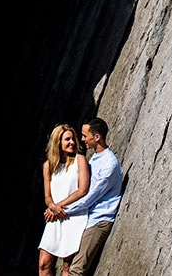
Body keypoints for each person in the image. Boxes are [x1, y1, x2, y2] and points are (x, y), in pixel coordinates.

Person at [48, 117, 122, 276]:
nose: (81, 140)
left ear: (97, 137)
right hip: (85, 218)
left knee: (76, 271)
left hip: (98, 221)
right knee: (66, 266)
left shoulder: (109, 164)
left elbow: (90, 197)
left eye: (84, 136)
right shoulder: (95, 157)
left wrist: (61, 210)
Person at [38, 124, 90, 276]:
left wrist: (56, 207)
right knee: (43, 264)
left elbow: (82, 190)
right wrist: (52, 206)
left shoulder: (80, 160)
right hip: (55, 217)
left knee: (67, 267)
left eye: (73, 139)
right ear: (57, 142)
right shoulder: (48, 166)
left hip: (73, 216)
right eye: (67, 139)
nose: (72, 142)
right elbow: (47, 196)